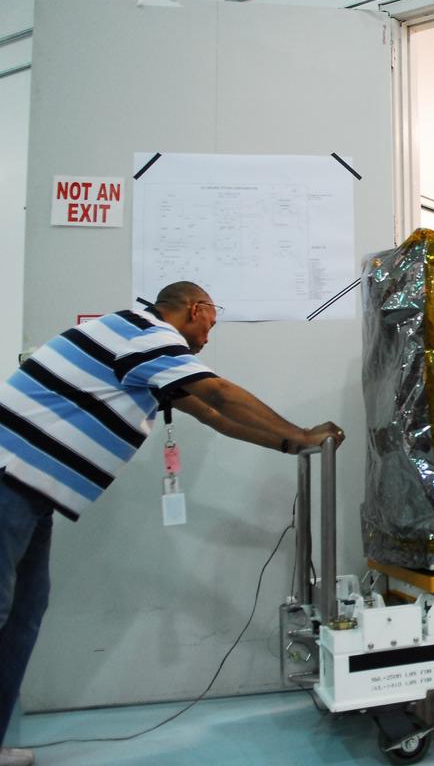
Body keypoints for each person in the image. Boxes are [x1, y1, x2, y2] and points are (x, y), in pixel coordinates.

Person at [0, 282, 345, 766]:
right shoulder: (147, 333)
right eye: (210, 324)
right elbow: (219, 394)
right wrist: (301, 431)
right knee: (7, 611)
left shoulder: (140, 350)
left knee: (24, 612)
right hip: (9, 480)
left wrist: (289, 445)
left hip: (32, 492)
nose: (207, 338)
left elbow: (212, 416)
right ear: (196, 309)